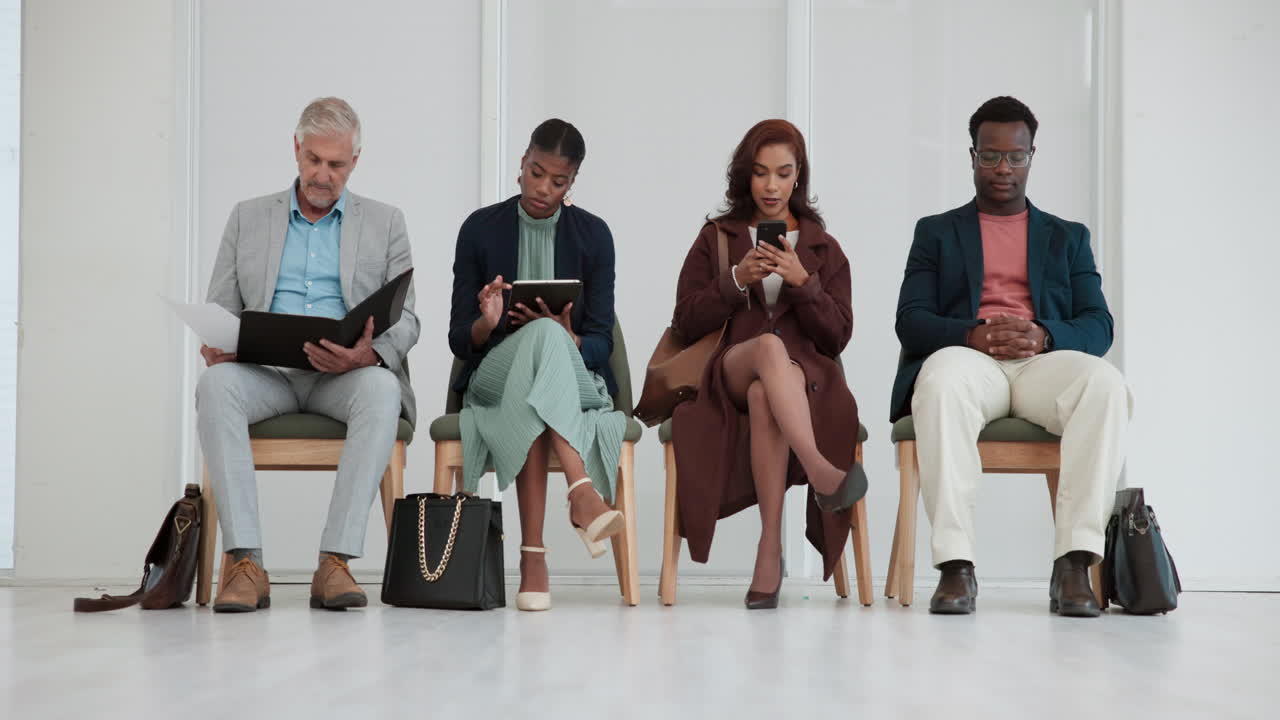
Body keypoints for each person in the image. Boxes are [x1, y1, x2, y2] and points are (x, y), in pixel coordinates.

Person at [893, 96, 1132, 617]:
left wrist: (1044, 335)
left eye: (1016, 157)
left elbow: (1098, 324)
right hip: (971, 361)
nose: (1004, 168)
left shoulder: (1068, 238)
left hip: (1041, 364)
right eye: (991, 156)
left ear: (1032, 156)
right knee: (939, 382)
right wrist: (973, 335)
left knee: (1106, 385)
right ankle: (956, 567)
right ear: (972, 156)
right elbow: (910, 320)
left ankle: (1074, 562)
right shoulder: (936, 232)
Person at [198, 97, 419, 612]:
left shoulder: (386, 222)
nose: (322, 174)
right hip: (264, 374)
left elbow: (408, 318)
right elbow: (219, 306)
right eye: (313, 159)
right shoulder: (247, 217)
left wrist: (365, 356)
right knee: (213, 386)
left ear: (355, 162)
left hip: (340, 377)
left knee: (383, 389)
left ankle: (335, 563)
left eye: (336, 164)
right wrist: (220, 343)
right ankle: (245, 563)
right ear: (296, 150)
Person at [670, 119, 866, 609]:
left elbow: (837, 335)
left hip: (803, 382)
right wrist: (735, 279)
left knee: (767, 394)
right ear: (746, 176)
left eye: (783, 173)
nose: (772, 186)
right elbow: (685, 322)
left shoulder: (824, 247)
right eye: (761, 173)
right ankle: (824, 475)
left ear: (799, 175)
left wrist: (804, 282)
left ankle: (768, 548)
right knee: (767, 352)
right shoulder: (717, 237)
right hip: (731, 371)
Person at [449, 119, 626, 612]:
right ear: (521, 163)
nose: (543, 189)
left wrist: (568, 338)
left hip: (569, 379)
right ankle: (583, 493)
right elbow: (459, 340)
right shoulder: (480, 229)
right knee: (541, 338)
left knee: (548, 345)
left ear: (573, 182)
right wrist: (486, 323)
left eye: (559, 181)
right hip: (494, 376)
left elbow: (600, 343)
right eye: (535, 172)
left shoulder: (594, 237)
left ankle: (533, 559)